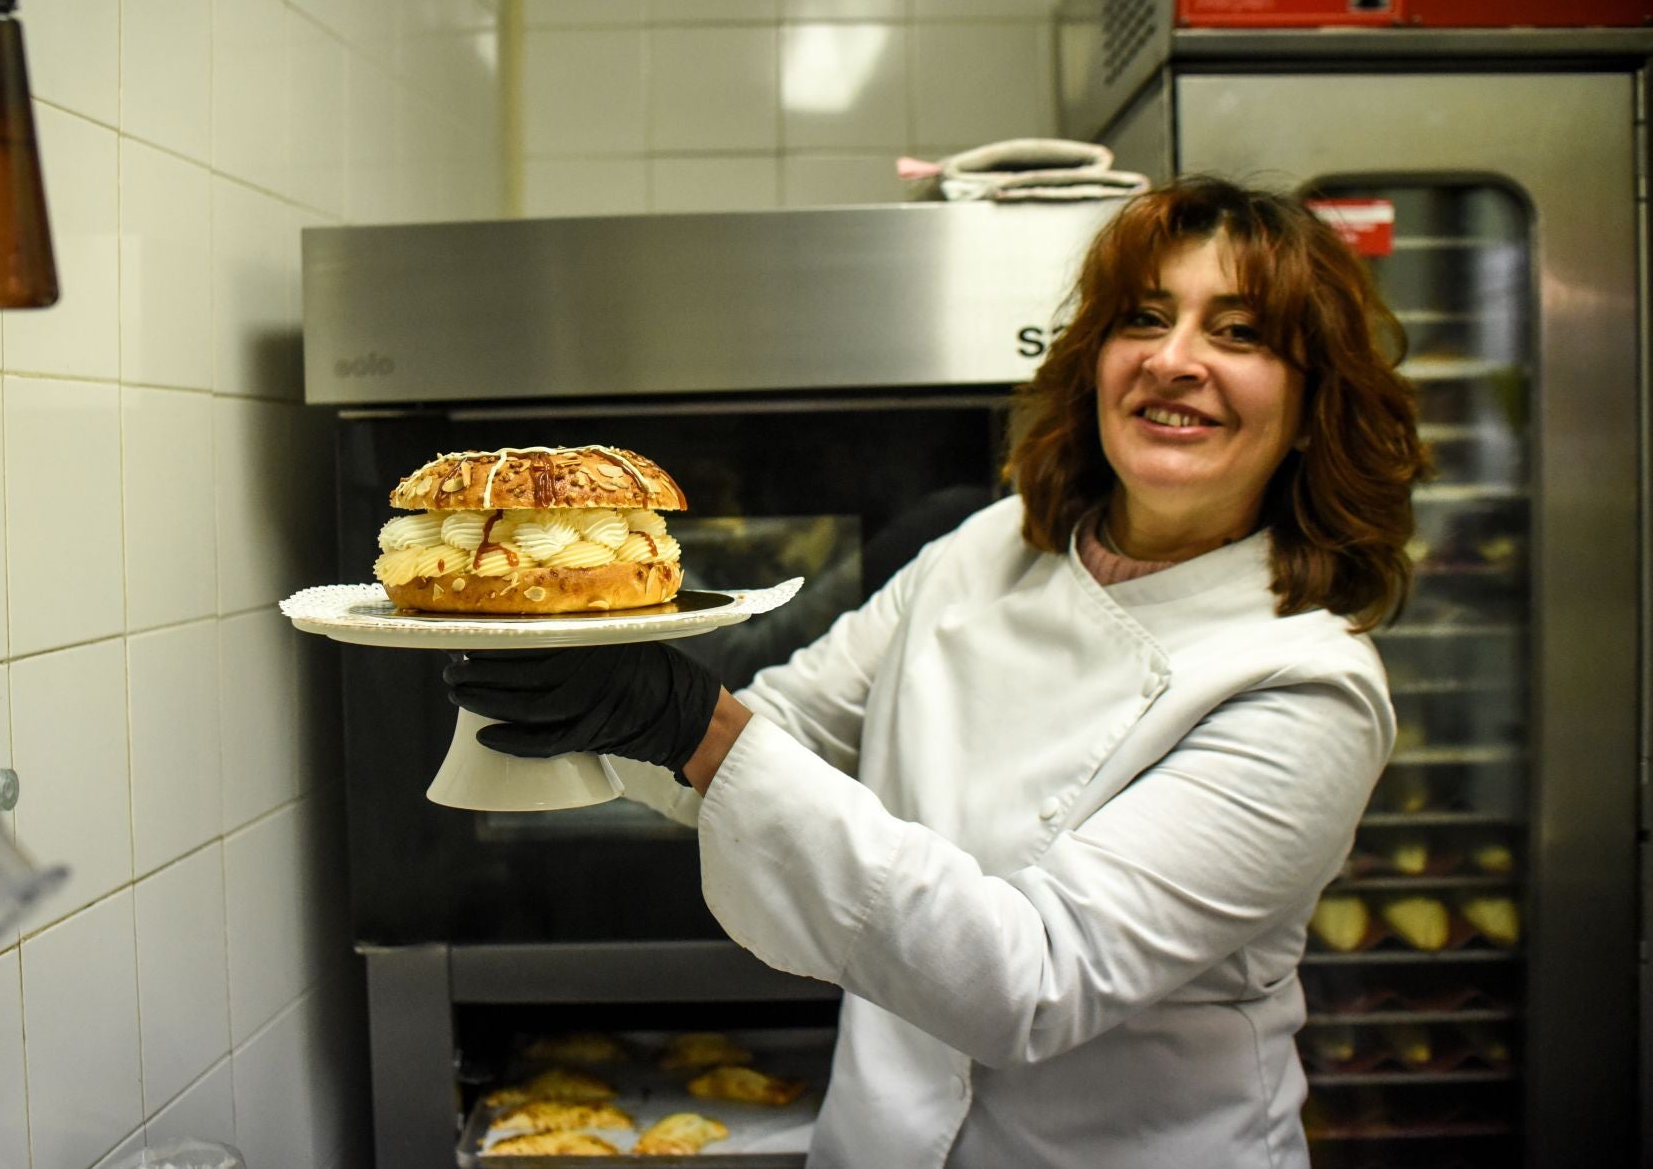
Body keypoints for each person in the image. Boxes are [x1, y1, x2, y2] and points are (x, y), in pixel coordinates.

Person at [445, 175, 1429, 1168]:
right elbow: (768, 746)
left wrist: (690, 724)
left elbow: (1036, 976)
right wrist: (583, 682)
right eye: (1145, 317)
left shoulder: (1307, 685)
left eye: (1241, 333)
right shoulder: (991, 546)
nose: (1174, 361)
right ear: (1096, 361)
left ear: (1311, 409)